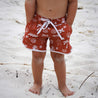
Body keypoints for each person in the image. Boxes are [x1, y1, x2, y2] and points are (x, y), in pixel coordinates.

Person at [22, 0, 77, 97]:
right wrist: (29, 21)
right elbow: (30, 1)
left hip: (60, 24)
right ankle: (37, 83)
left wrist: (69, 23)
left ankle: (62, 85)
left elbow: (73, 2)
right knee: (37, 56)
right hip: (38, 22)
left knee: (58, 57)